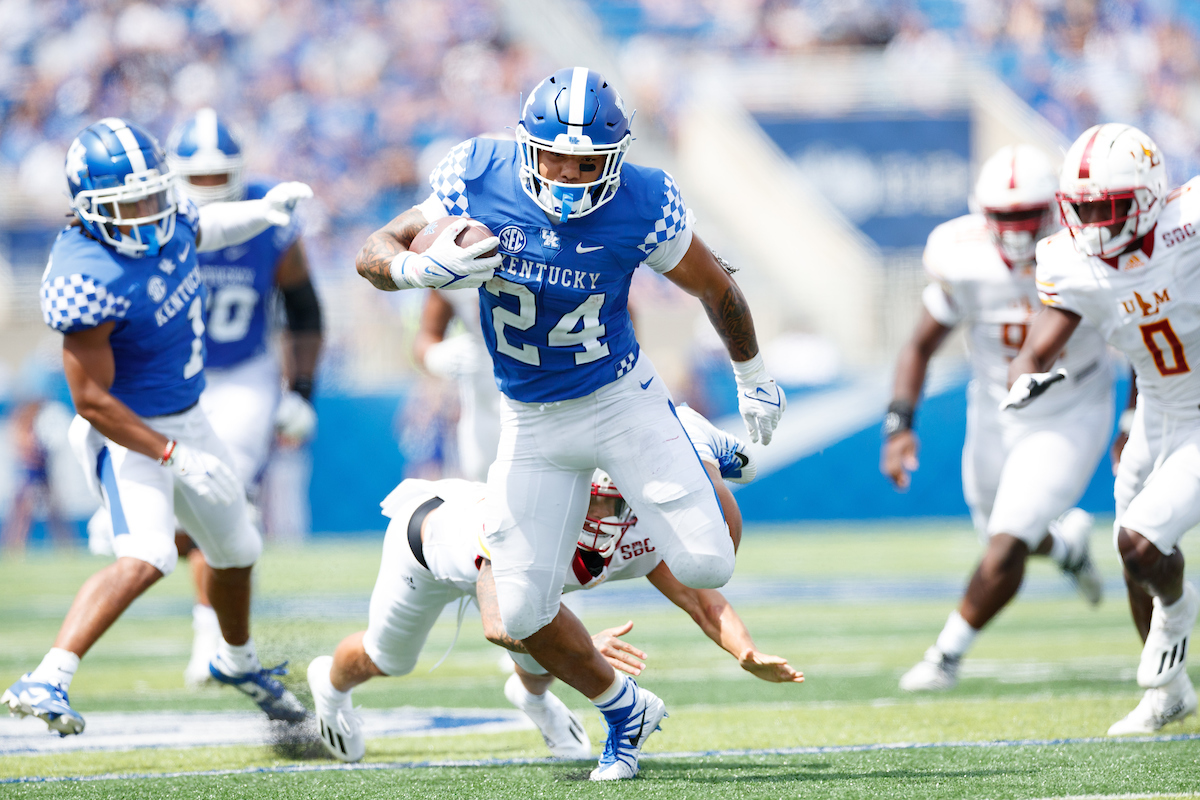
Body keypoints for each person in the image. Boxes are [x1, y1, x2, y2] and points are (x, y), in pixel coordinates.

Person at [354, 67, 784, 780]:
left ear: (615, 159)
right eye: (554, 157)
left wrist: (754, 375)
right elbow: (373, 250)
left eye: (589, 163)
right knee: (518, 615)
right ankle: (618, 700)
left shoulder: (644, 199)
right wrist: (414, 271)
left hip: (621, 399)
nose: (570, 175)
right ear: (527, 148)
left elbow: (717, 288)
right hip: (531, 421)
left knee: (711, 562)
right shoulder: (475, 172)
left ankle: (685, 436)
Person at [2, 118, 311, 735]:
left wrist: (263, 213)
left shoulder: (167, 220)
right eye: (128, 204)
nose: (146, 213)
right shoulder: (85, 276)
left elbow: (205, 226)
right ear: (90, 210)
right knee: (148, 553)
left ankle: (237, 660)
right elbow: (91, 400)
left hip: (187, 418)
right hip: (128, 431)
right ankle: (47, 678)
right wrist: (172, 453)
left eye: (152, 196)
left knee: (238, 545)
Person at [305, 406, 793, 764]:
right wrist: (583, 650)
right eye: (592, 501)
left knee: (545, 630)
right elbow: (498, 624)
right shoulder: (531, 517)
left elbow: (701, 600)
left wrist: (745, 651)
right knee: (387, 658)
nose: (603, 515)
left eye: (615, 502)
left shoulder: (639, 526)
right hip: (427, 548)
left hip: (508, 580)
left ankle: (533, 697)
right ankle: (329, 684)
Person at [884, 145, 1113, 692]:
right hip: (992, 406)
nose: (1014, 231)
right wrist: (899, 424)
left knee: (1006, 542)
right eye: (1003, 217)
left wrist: (1131, 419)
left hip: (1069, 408)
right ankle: (1067, 547)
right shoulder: (960, 254)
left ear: (1054, 208)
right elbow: (919, 345)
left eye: (1025, 215)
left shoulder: (1087, 248)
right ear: (982, 214)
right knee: (1002, 533)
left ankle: (945, 656)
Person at [1006, 123, 1199, 735]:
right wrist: (1027, 373)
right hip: (1158, 411)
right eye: (1080, 208)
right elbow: (1042, 338)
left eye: (1105, 208)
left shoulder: (1189, 226)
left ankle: (1177, 612)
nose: (1090, 223)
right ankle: (1169, 692)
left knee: (1142, 541)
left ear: (1147, 199)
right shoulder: (1072, 264)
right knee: (1131, 552)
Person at [165, 108, 324, 687]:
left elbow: (304, 309)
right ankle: (213, 619)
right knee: (172, 522)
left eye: (218, 177)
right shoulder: (151, 214)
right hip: (168, 377)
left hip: (242, 376)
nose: (208, 189)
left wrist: (302, 390)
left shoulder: (270, 216)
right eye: (197, 177)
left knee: (218, 491)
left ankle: (213, 633)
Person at [413, 289, 500, 482]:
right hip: (485, 407)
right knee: (485, 481)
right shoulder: (455, 270)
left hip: (553, 400)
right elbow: (426, 336)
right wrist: (436, 356)